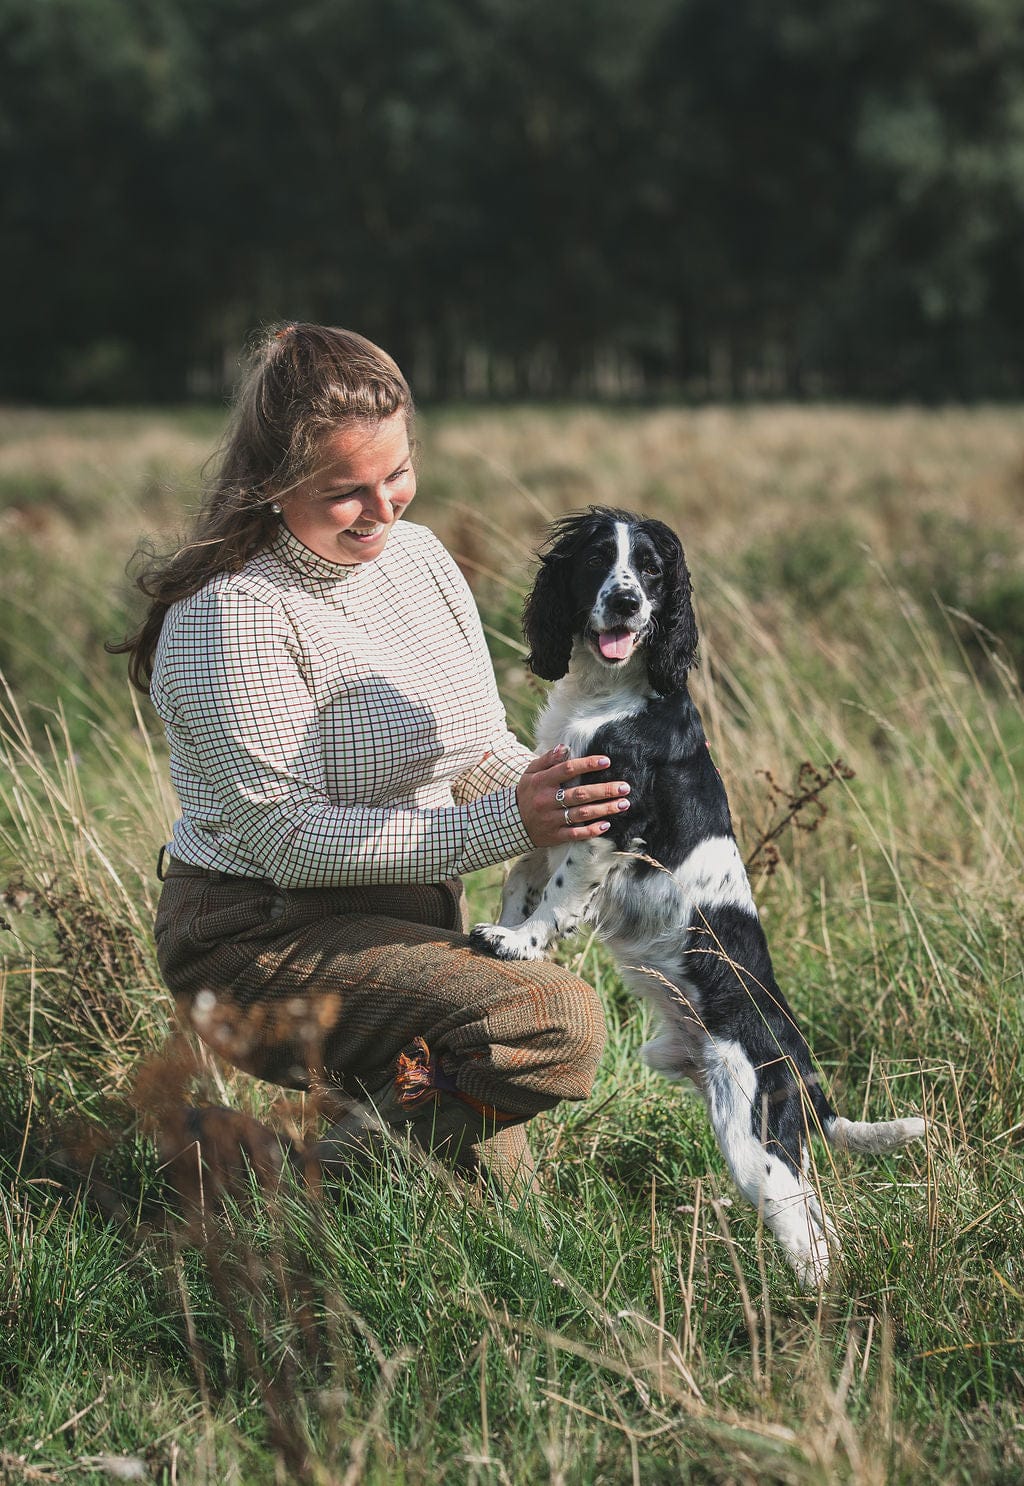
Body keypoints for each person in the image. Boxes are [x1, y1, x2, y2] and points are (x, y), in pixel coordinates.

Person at [110, 323, 632, 1194]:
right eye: (346, 491)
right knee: (551, 1019)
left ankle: (315, 1154)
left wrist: (572, 798)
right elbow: (289, 841)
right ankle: (275, 1177)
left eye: (397, 474)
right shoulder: (228, 615)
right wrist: (509, 821)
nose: (385, 509)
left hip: (407, 927)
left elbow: (472, 749)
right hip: (259, 938)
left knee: (496, 1218)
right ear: (273, 484)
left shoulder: (420, 559)